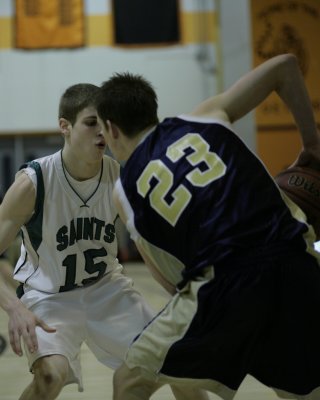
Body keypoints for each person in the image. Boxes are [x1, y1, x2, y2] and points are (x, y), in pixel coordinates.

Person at [95, 53, 320, 400]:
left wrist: (216, 330)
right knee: (302, 390)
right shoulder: (204, 117)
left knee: (131, 380)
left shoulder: (124, 192)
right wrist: (312, 144)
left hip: (228, 281)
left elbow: (168, 278)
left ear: (111, 129)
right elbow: (287, 65)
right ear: (152, 111)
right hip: (298, 261)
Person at [0, 83, 208, 400]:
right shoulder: (34, 183)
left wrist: (184, 294)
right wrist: (14, 308)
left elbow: (149, 246)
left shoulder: (122, 177)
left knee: (177, 362)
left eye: (104, 123)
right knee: (49, 376)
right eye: (90, 122)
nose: (101, 132)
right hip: (49, 296)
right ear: (64, 127)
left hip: (107, 289)